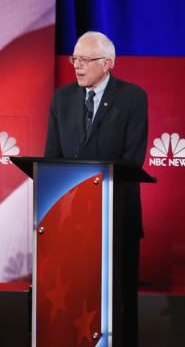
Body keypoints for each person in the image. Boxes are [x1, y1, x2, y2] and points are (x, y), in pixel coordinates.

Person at [44, 31, 148, 346]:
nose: (77, 66)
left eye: (85, 60)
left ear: (107, 64)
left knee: (119, 301)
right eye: (74, 58)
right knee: (73, 301)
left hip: (116, 218)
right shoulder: (62, 98)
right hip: (70, 223)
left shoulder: (132, 96)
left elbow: (132, 158)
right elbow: (51, 159)